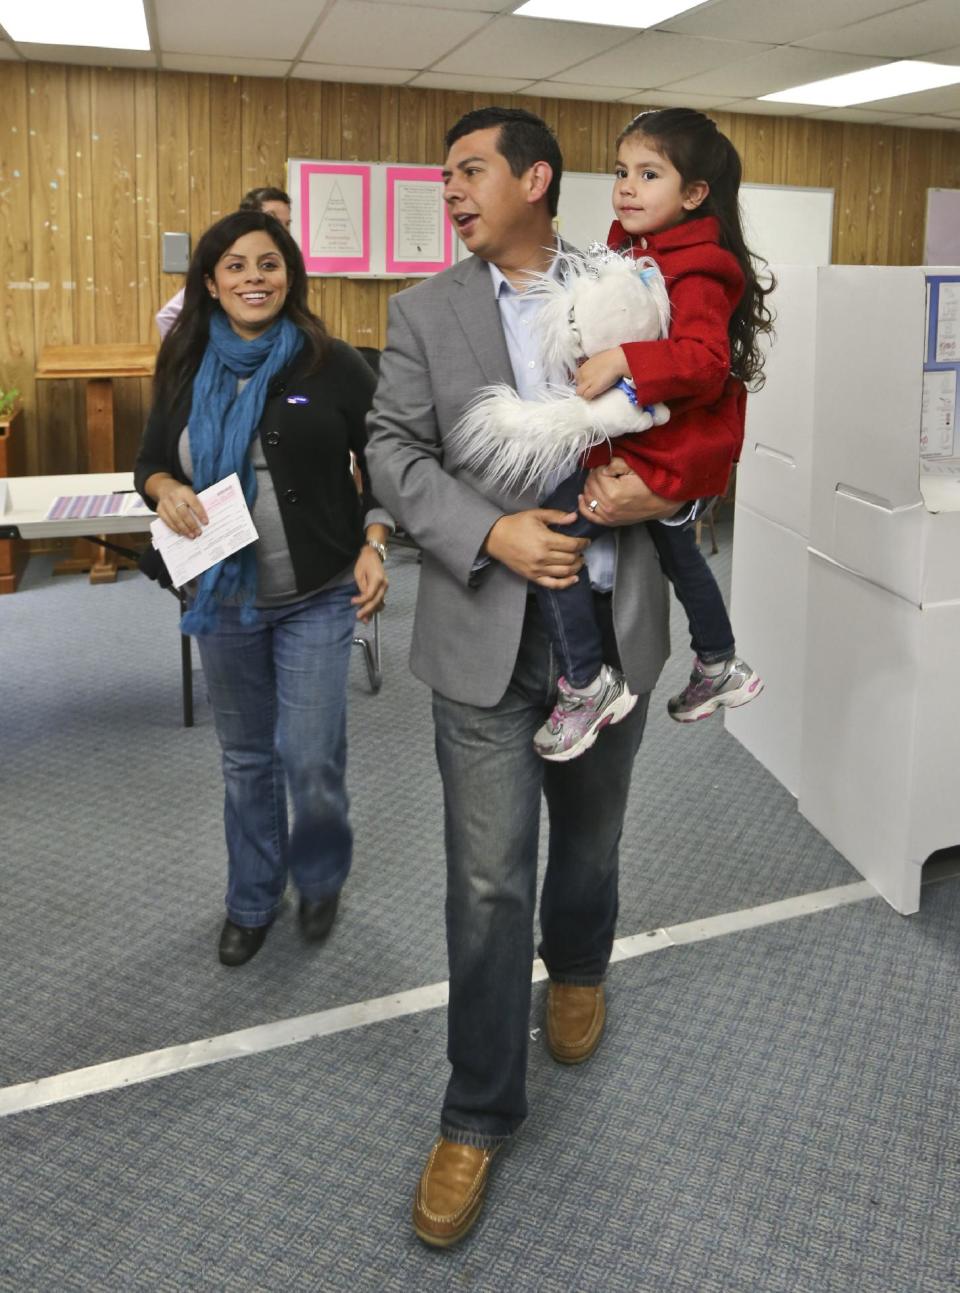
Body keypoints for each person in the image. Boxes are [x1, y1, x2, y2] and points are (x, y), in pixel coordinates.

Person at [366, 105, 704, 1248]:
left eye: (469, 171)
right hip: (483, 642)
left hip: (610, 625)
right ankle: (476, 1112)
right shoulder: (424, 313)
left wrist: (676, 492)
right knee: (489, 882)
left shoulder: (634, 284)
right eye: (445, 177)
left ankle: (584, 964)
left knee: (592, 847)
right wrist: (490, 532)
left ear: (536, 178)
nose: (451, 191)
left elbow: (697, 421)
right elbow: (392, 451)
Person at [135, 209, 389, 967]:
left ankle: (318, 878)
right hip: (225, 596)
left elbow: (386, 461)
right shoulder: (182, 362)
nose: (255, 277)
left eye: (269, 263)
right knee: (246, 757)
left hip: (318, 587)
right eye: (237, 266)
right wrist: (162, 488)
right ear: (210, 282)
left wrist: (376, 540)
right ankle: (251, 897)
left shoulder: (331, 361)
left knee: (310, 754)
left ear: (290, 274)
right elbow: (149, 459)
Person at [530, 108, 773, 761]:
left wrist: (622, 361)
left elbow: (703, 360)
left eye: (648, 173)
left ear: (693, 194)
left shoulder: (698, 264)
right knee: (678, 551)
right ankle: (719, 661)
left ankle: (586, 681)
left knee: (553, 539)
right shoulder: (639, 251)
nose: (627, 187)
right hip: (651, 439)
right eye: (620, 172)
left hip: (659, 446)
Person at [155, 187, 293, 340]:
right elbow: (167, 316)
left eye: (286, 224)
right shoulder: (219, 259)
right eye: (237, 267)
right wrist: (188, 352)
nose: (282, 230)